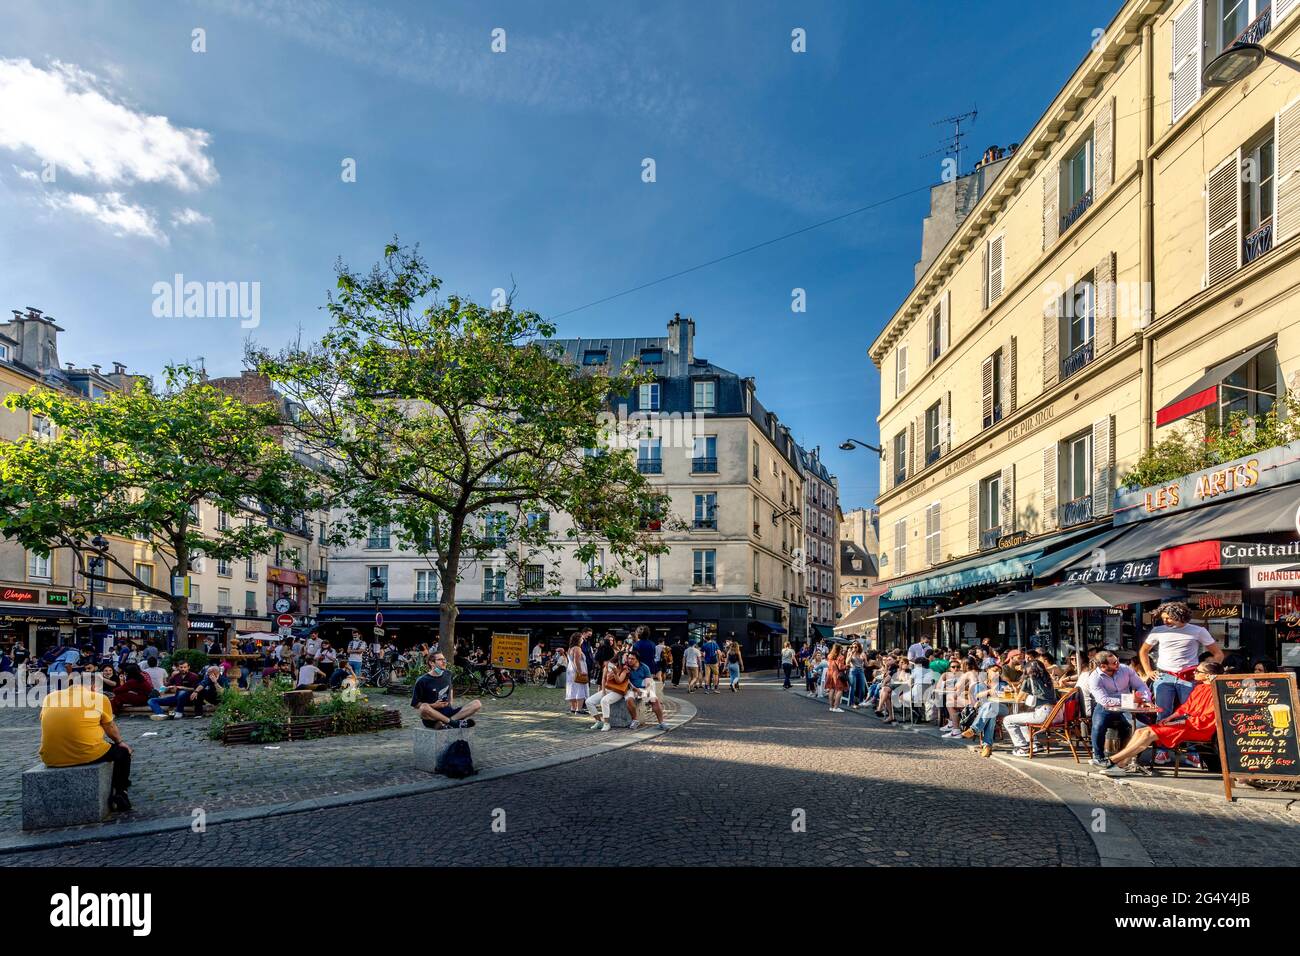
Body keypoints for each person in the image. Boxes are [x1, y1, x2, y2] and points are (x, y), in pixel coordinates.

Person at [1101, 661, 1225, 775]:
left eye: (1198, 671)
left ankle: (1112, 760)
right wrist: (1170, 718)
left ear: (1209, 675)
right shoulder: (1199, 688)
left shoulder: (1216, 692)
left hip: (1198, 729)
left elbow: (1207, 720)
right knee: (1140, 731)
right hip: (1187, 724)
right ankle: (1121, 765)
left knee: (1148, 733)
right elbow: (1186, 707)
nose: (1194, 673)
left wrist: (1178, 722)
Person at [1139, 601, 1223, 766]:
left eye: (1169, 618)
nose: (1165, 621)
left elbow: (1217, 654)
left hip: (1189, 677)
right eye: (1164, 618)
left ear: (1180, 616)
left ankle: (1192, 752)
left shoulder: (1198, 631)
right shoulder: (1158, 631)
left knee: (1191, 715)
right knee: (1163, 713)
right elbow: (1143, 651)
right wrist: (1148, 672)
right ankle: (1163, 750)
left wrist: (1209, 674)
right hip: (1164, 675)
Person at [40, 677, 134, 812]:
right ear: (93, 686)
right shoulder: (98, 698)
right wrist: (120, 742)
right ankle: (121, 793)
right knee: (123, 753)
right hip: (87, 753)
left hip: (50, 757)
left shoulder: (50, 697)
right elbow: (110, 727)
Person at [1086, 651, 1153, 766]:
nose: (1118, 664)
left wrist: (1144, 699)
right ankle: (1098, 757)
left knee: (1145, 726)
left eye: (1117, 660)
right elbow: (1104, 701)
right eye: (1114, 663)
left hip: (1128, 706)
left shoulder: (1125, 669)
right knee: (1098, 725)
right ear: (1103, 666)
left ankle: (1130, 758)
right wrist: (1129, 700)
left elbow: (1141, 686)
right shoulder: (1094, 678)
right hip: (1105, 707)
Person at [1001, 651, 1059, 757]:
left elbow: (1018, 699)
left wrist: (1015, 690)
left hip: (1042, 714)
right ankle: (1035, 744)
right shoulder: (1047, 679)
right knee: (1022, 717)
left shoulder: (1029, 680)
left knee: (1007, 720)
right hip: (1053, 714)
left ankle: (1022, 747)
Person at [410, 651, 481, 728]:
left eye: (444, 659)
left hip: (448, 711)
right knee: (423, 707)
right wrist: (434, 705)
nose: (444, 661)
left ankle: (447, 723)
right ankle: (453, 723)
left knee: (477, 704)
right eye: (440, 659)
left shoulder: (448, 674)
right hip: (432, 715)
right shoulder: (422, 680)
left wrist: (450, 703)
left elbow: (450, 689)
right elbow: (415, 704)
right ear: (431, 663)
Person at [968, 664, 1009, 757]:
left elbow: (1008, 693)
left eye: (999, 671)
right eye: (995, 670)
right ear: (988, 671)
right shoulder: (981, 684)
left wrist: (1008, 689)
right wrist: (988, 692)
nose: (997, 673)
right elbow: (977, 695)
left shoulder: (1003, 684)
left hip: (1002, 708)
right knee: (991, 714)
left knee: (991, 706)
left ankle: (974, 729)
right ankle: (987, 746)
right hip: (986, 710)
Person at [586, 653, 631, 731]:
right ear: (620, 657)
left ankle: (606, 723)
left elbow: (619, 681)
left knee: (604, 701)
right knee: (589, 701)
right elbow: (603, 679)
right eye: (626, 656)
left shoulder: (625, 668)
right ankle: (598, 721)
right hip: (608, 689)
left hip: (618, 691)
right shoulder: (608, 665)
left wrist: (616, 673)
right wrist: (603, 691)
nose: (627, 658)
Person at [623, 651, 668, 730]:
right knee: (629, 699)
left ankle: (661, 723)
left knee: (654, 699)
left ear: (637, 660)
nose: (630, 660)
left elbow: (648, 682)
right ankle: (635, 720)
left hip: (643, 689)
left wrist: (646, 691)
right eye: (629, 658)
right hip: (631, 689)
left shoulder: (644, 667)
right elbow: (627, 682)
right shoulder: (626, 668)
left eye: (632, 659)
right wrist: (635, 689)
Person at [564, 633, 589, 715]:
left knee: (572, 688)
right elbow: (576, 661)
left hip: (570, 670)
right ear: (578, 639)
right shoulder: (577, 648)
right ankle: (579, 709)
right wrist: (580, 671)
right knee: (580, 688)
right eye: (582, 638)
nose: (583, 640)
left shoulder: (570, 648)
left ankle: (573, 708)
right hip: (577, 670)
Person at [824, 645, 848, 713]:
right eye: (841, 649)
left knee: (831, 689)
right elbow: (840, 667)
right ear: (838, 649)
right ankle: (836, 707)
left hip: (830, 673)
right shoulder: (841, 657)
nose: (841, 650)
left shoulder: (829, 656)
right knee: (839, 690)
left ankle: (831, 707)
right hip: (837, 674)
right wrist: (846, 666)